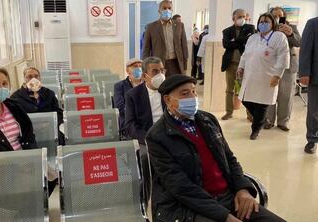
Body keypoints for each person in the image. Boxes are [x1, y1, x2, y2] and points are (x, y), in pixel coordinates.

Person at [146, 74, 286, 222]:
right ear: (168, 100)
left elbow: (230, 159)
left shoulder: (208, 120)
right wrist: (225, 217)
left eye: (194, 91)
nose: (192, 97)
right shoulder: (157, 136)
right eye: (185, 94)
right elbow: (181, 187)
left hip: (228, 197)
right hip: (187, 207)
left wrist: (242, 189)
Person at [237, 13, 289, 140]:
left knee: (261, 104)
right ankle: (261, 119)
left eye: (266, 21)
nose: (263, 24)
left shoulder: (279, 37)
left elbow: (283, 57)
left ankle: (255, 129)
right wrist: (240, 67)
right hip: (250, 75)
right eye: (261, 21)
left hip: (267, 76)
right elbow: (245, 54)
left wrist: (277, 75)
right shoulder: (253, 37)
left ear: (273, 24)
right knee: (245, 99)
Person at [124, 56, 166, 208]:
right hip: (146, 138)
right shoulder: (133, 95)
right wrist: (148, 139)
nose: (160, 75)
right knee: (144, 159)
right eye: (155, 71)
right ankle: (145, 200)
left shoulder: (169, 91)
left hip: (169, 135)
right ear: (145, 75)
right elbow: (129, 125)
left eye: (162, 70)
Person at [264, 7, 301, 131]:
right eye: (274, 16)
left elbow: (299, 42)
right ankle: (268, 120)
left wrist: (290, 34)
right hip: (271, 66)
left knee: (286, 96)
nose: (278, 18)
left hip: (288, 67)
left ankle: (283, 122)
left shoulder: (292, 28)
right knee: (270, 93)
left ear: (284, 16)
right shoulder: (267, 27)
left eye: (280, 16)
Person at [221, 9, 256, 120]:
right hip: (231, 64)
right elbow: (226, 44)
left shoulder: (250, 28)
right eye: (239, 17)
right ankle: (229, 112)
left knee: (245, 90)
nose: (242, 19)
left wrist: (235, 39)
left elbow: (250, 40)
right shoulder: (227, 31)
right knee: (229, 90)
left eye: (244, 16)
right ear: (233, 18)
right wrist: (241, 41)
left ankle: (250, 114)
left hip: (245, 65)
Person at [142, 0, 188, 77]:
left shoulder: (180, 25)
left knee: (175, 87)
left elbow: (184, 46)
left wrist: (185, 66)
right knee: (161, 87)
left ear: (172, 10)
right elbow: (146, 50)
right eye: (164, 8)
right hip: (158, 65)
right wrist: (145, 69)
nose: (167, 10)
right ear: (159, 11)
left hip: (176, 64)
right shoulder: (151, 27)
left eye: (169, 8)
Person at [299, 17, 318, 154]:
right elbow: (305, 49)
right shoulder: (313, 23)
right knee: (314, 110)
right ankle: (312, 139)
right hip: (316, 75)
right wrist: (304, 72)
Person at [114, 58, 143, 138]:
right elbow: (120, 107)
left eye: (140, 66)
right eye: (135, 66)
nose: (138, 68)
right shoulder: (120, 86)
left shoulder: (146, 85)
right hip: (129, 121)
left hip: (145, 120)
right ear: (128, 70)